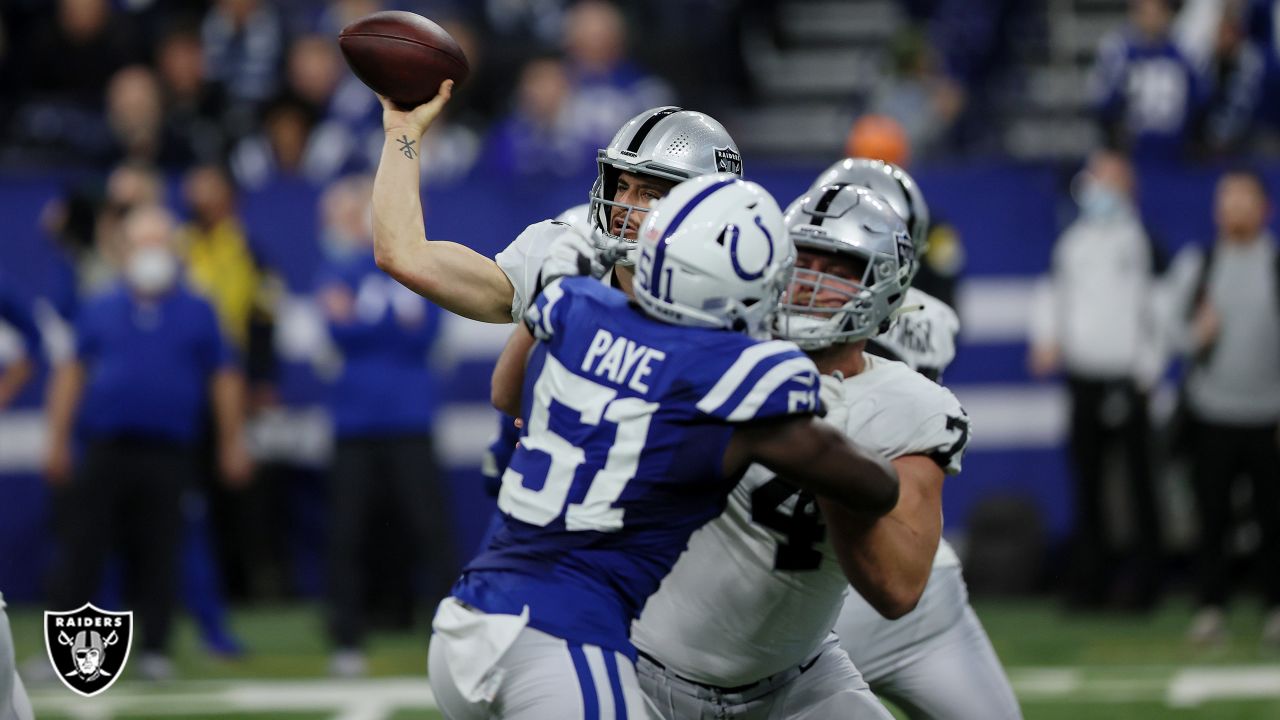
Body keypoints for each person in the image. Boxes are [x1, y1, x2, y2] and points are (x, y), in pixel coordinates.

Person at [428, 173, 899, 720]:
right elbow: (876, 488)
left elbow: (507, 392)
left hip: (468, 616)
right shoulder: (733, 376)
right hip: (562, 639)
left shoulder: (580, 308)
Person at [630, 183, 980, 719]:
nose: (809, 282)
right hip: (638, 664)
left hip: (795, 683)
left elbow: (897, 587)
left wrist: (828, 454)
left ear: (884, 289)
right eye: (801, 260)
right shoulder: (718, 350)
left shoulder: (910, 405)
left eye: (837, 267)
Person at [798, 165, 1022, 719]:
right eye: (812, 258)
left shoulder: (920, 325)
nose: (820, 279)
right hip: (825, 585)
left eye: (844, 263)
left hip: (889, 573)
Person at [43, 205, 252, 681]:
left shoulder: (199, 308)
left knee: (163, 550)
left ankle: (155, 649)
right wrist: (55, 439)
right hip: (105, 445)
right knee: (83, 549)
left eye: (160, 242)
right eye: (143, 243)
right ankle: (70, 654)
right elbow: (71, 373)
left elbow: (224, 378)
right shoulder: (100, 304)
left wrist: (232, 440)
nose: (152, 253)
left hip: (169, 449)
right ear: (125, 249)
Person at [315, 176, 457, 676]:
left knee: (429, 530)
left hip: (409, 418)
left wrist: (365, 327)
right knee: (347, 532)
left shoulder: (414, 265)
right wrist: (390, 329)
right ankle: (346, 637)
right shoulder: (339, 268)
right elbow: (337, 329)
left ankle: (447, 633)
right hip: (355, 421)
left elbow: (429, 330)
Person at [1028, 150, 1166, 610]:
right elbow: (1055, 294)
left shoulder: (1142, 239)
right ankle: (1091, 584)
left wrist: (1149, 367)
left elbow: (1157, 309)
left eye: (1108, 178)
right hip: (1084, 377)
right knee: (1087, 484)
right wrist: (1048, 339)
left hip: (1129, 379)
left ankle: (1146, 585)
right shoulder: (1074, 242)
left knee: (1139, 484)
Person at [1170, 170, 1280, 647]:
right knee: (1211, 518)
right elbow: (1168, 329)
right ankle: (1211, 608)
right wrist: (1197, 335)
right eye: (1227, 200)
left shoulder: (1274, 263)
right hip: (1211, 412)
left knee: (1273, 519)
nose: (1235, 209)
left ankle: (1275, 608)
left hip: (1268, 415)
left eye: (1244, 200)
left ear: (1263, 208)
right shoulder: (1200, 263)